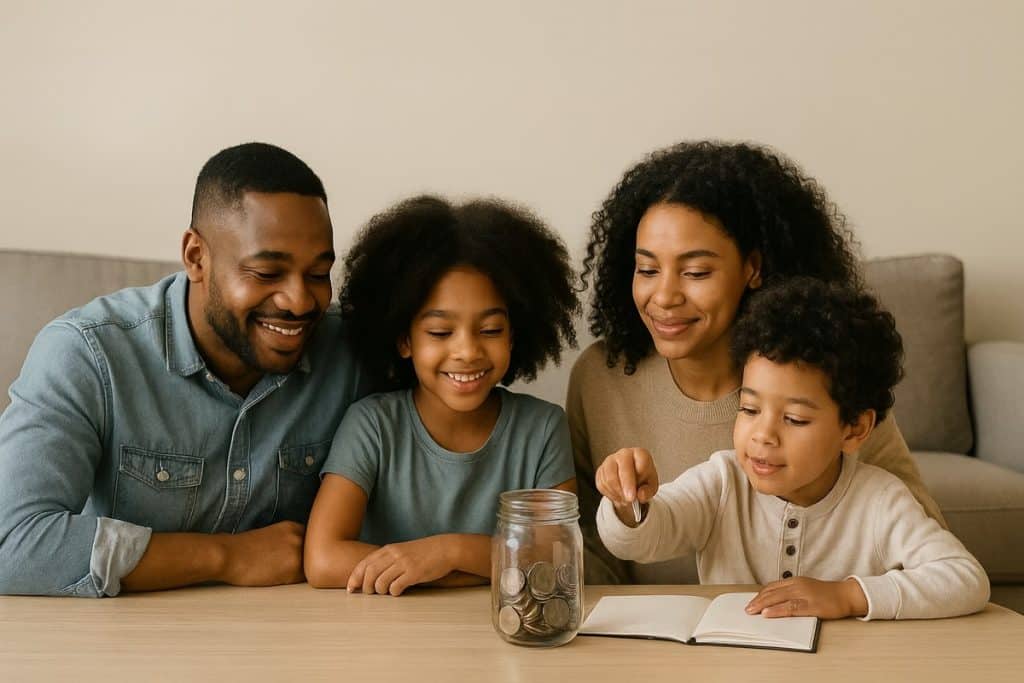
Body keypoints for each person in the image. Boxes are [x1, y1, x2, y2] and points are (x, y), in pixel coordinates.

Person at [0, 142, 369, 597]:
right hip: (125, 649)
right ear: (196, 257)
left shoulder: (352, 354)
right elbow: (11, 543)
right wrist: (228, 557)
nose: (299, 301)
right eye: (267, 273)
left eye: (317, 274)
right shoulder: (87, 353)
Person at [570, 140, 946, 585]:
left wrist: (843, 599)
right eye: (647, 270)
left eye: (695, 272)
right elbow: (592, 545)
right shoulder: (600, 377)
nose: (665, 297)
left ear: (753, 267)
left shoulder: (824, 378)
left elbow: (927, 548)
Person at [595, 278, 989, 620]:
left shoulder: (880, 500)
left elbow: (965, 579)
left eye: (795, 419)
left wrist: (848, 596)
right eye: (749, 409)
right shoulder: (722, 480)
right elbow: (641, 540)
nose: (763, 435)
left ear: (854, 429)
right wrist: (630, 503)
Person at [304, 195, 579, 596]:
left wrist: (448, 551)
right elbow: (323, 560)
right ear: (404, 339)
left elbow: (558, 560)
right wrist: (490, 564)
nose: (467, 351)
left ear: (515, 335)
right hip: (384, 640)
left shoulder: (543, 429)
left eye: (490, 330)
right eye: (439, 332)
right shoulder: (372, 425)